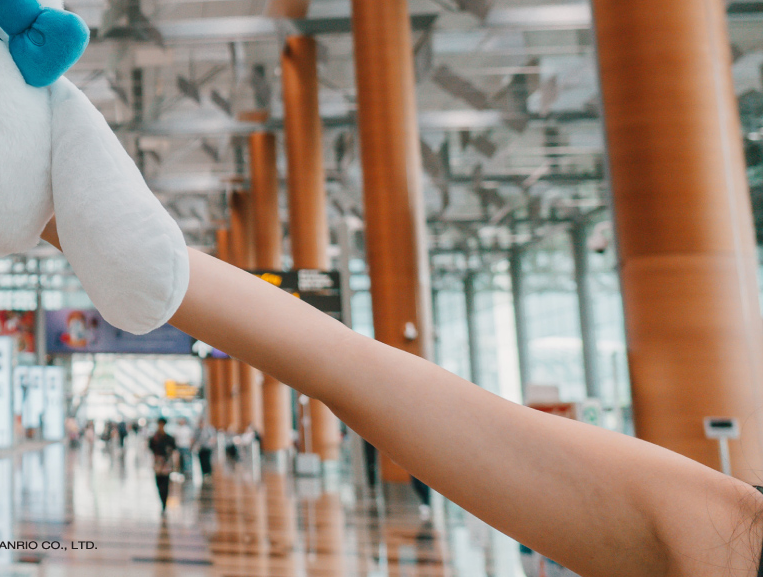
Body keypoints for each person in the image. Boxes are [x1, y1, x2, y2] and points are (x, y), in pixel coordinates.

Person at [121, 236, 763, 577]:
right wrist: (98, 220)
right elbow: (344, 366)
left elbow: (344, 366)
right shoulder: (726, 538)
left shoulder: (725, 538)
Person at [146, 418, 177, 514]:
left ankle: (164, 502)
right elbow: (150, 448)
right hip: (158, 463)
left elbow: (173, 449)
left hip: (166, 463)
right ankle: (162, 500)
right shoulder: (154, 438)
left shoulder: (169, 438)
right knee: (158, 483)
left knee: (165, 483)